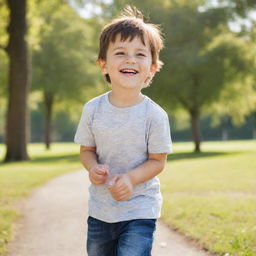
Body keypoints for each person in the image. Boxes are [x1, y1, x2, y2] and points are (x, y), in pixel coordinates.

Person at [74, 5, 172, 256]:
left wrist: (130, 178)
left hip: (140, 209)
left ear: (152, 68)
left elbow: (158, 161)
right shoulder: (93, 109)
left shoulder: (155, 115)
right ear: (103, 64)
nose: (130, 59)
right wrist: (92, 167)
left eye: (140, 54)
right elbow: (87, 150)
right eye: (120, 52)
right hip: (101, 210)